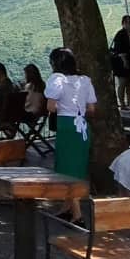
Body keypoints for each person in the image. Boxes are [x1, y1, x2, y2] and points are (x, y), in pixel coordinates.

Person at [44, 47, 98, 221]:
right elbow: (91, 108)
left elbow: (51, 107)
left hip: (66, 125)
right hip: (82, 126)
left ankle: (77, 213)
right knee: (77, 167)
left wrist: (65, 107)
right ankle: (66, 207)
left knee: (66, 168)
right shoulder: (85, 80)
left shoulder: (57, 79)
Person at [111, 15, 130, 110]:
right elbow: (119, 50)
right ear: (123, 23)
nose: (129, 25)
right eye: (127, 23)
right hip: (121, 64)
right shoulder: (120, 35)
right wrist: (125, 61)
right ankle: (122, 103)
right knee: (123, 83)